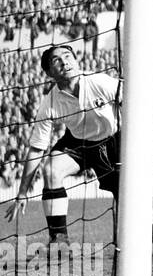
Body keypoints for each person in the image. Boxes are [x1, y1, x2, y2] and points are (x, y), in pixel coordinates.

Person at [3, 44, 121, 247]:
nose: (65, 61)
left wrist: (152, 143)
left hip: (113, 140)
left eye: (68, 56)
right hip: (79, 142)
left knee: (127, 197)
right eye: (56, 60)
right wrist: (22, 193)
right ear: (49, 72)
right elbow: (36, 148)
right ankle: (59, 241)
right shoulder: (49, 102)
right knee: (50, 170)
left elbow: (134, 102)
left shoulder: (99, 81)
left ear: (76, 61)